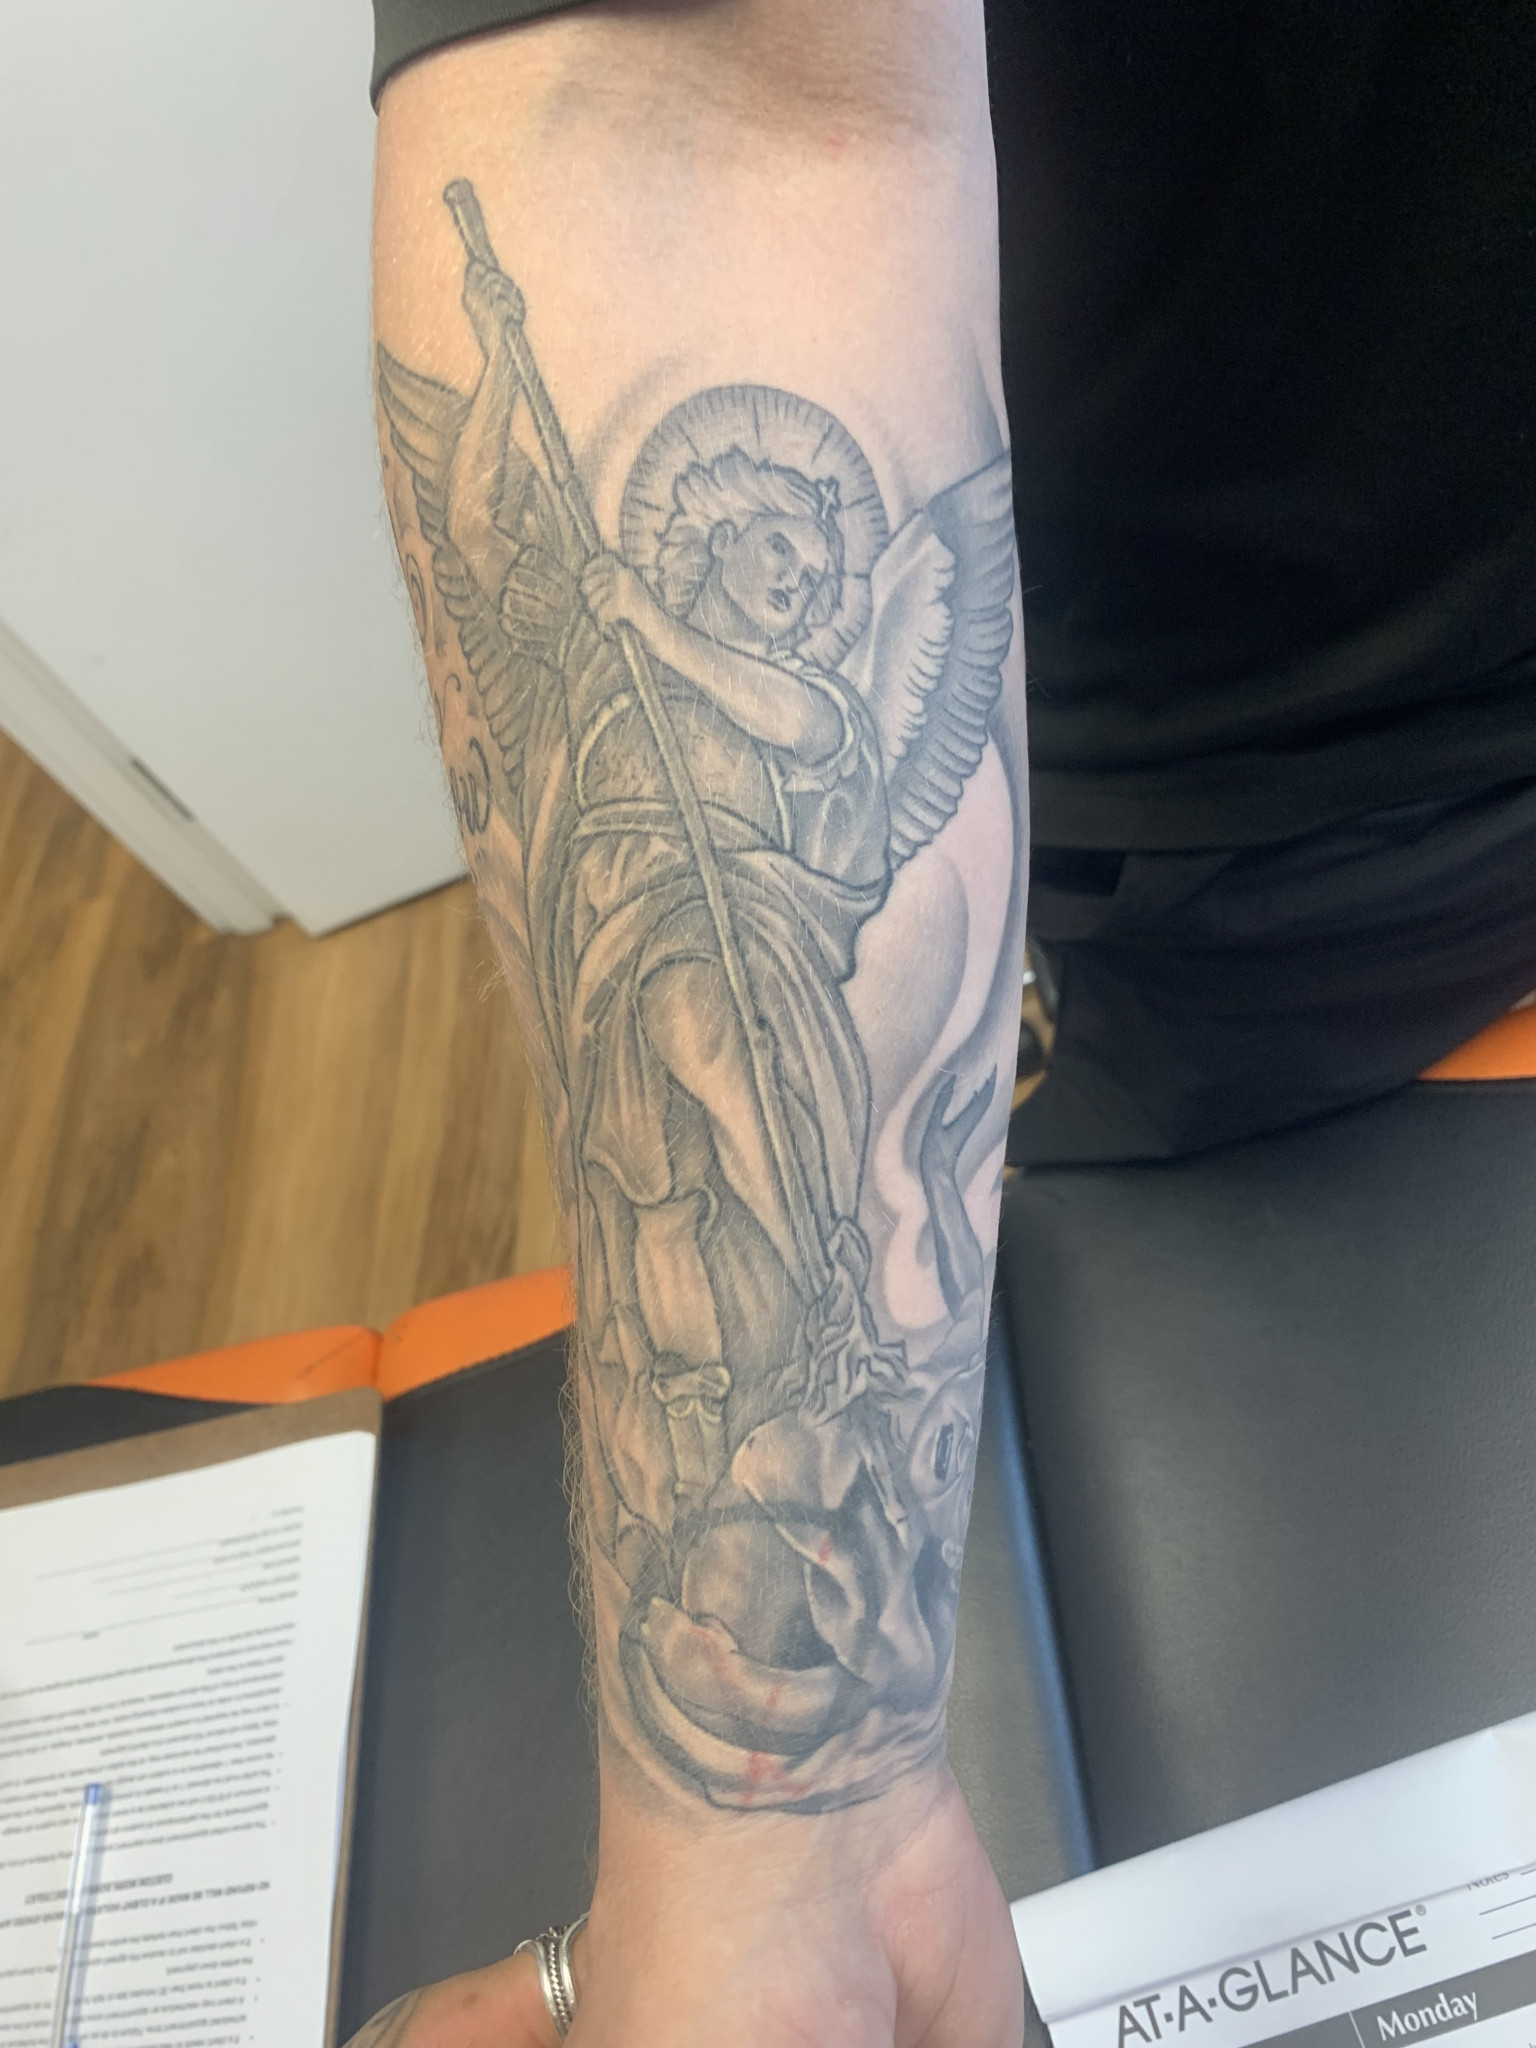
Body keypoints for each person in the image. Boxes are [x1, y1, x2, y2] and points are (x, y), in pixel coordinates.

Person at [356, 2, 1536, 2043]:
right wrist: (785, 1835)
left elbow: (799, 732)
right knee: (761, 1166)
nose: (763, 574)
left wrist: (652, 633)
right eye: (731, 550)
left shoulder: (786, 682)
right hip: (1247, 816)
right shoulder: (708, 664)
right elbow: (690, 111)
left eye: (786, 556)